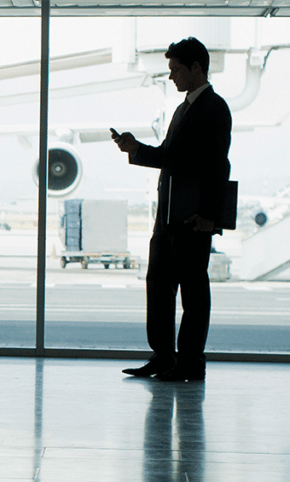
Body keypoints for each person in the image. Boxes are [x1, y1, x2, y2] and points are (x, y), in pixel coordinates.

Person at [112, 37, 231, 382]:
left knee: (193, 294)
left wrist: (210, 216)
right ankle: (163, 357)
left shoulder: (215, 108)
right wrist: (135, 150)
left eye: (176, 69)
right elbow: (170, 156)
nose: (172, 76)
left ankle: (190, 362)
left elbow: (218, 166)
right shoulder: (184, 108)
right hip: (168, 218)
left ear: (196, 68)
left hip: (193, 218)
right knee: (159, 286)